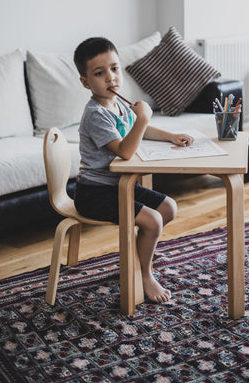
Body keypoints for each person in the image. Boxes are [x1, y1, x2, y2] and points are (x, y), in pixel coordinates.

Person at [73, 37, 194, 303]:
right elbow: (125, 150)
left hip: (118, 186)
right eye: (99, 73)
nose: (110, 78)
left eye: (114, 69)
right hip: (95, 193)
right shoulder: (96, 114)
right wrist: (142, 118)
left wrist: (170, 135)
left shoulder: (117, 105)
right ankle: (144, 273)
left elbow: (139, 131)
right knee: (152, 221)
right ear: (85, 82)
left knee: (168, 208)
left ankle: (141, 253)